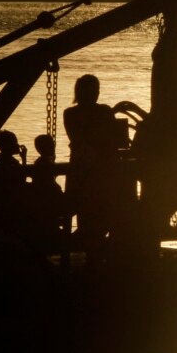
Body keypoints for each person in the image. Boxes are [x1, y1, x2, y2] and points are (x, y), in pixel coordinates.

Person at [63, 74, 119, 253]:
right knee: (96, 209)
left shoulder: (71, 114)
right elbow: (110, 139)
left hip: (81, 170)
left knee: (86, 209)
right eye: (94, 90)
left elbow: (80, 138)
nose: (96, 93)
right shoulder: (104, 112)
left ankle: (89, 249)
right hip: (95, 172)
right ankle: (94, 250)